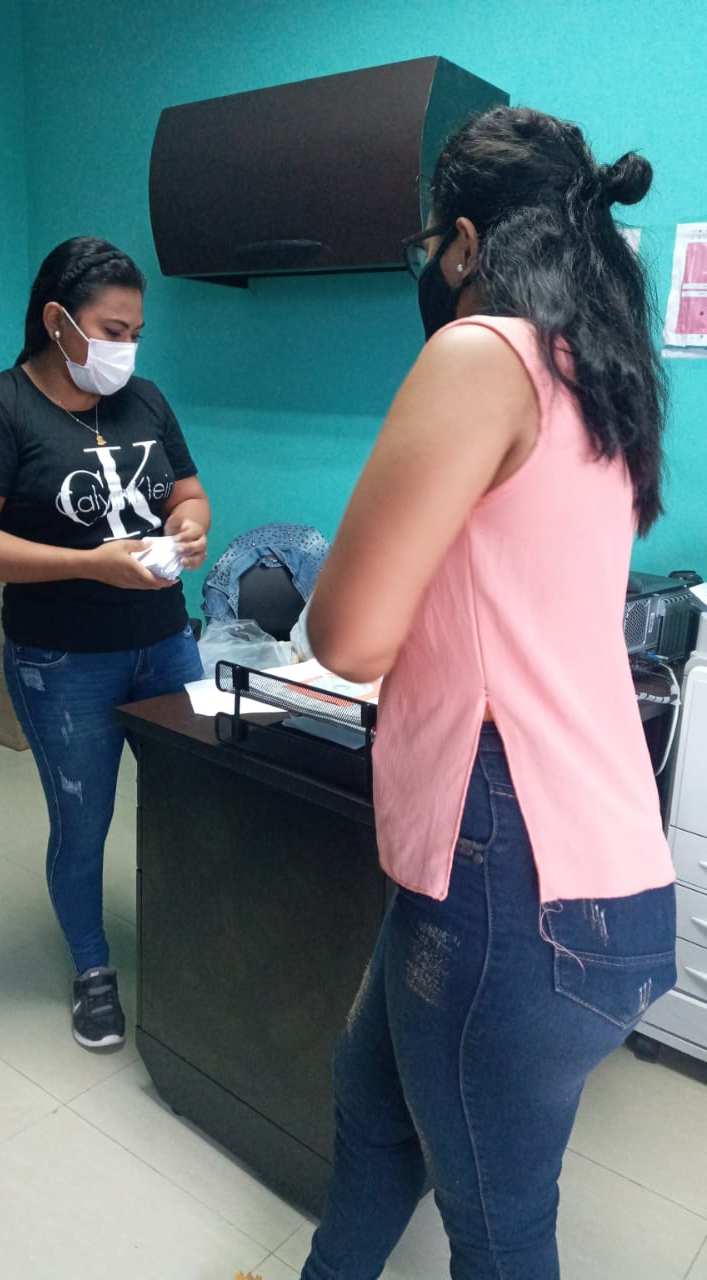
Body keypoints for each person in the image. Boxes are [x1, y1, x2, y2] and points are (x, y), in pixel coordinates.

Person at [298, 107, 677, 1279]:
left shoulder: (482, 353)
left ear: (463, 241)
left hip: (511, 875)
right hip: (595, 862)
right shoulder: (604, 377)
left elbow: (348, 636)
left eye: (429, 242)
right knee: (373, 1107)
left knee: (501, 1238)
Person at [0, 236, 210, 1050]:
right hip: (62, 661)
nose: (126, 349)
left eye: (135, 333)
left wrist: (189, 527)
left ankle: (197, 941)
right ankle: (92, 969)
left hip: (166, 642)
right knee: (83, 824)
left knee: (198, 800)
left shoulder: (144, 400)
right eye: (112, 331)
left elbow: (189, 495)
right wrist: (90, 563)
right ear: (58, 321)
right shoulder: (3, 408)